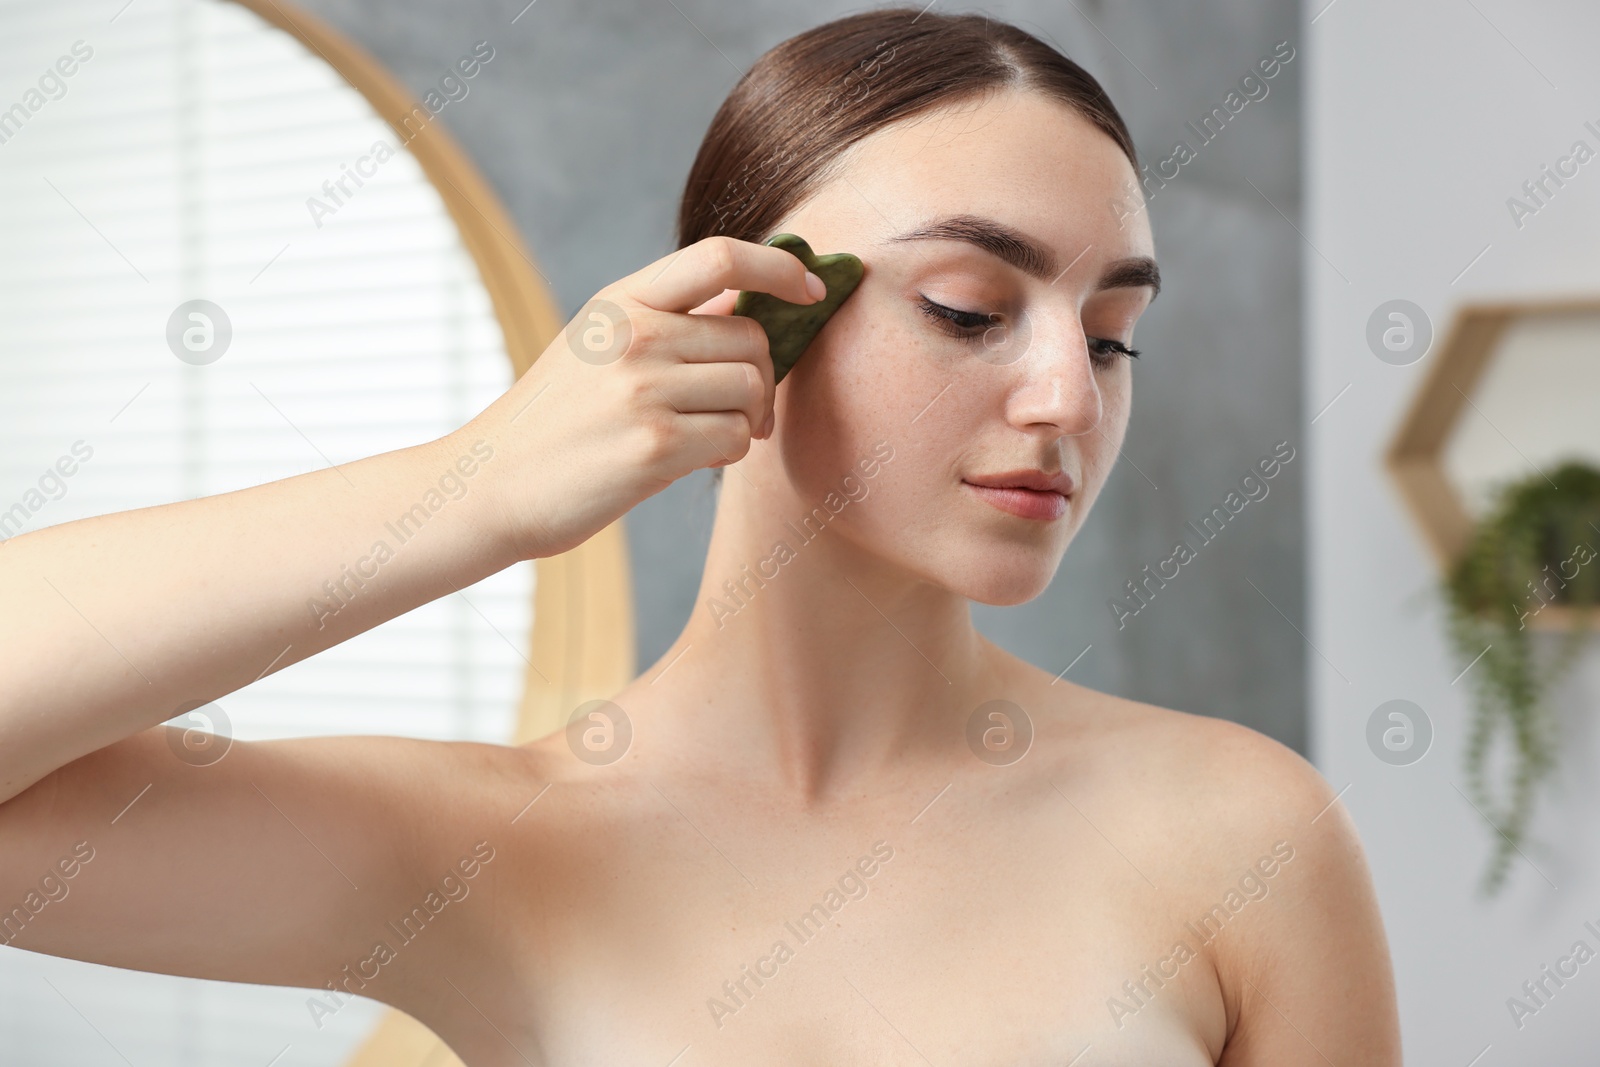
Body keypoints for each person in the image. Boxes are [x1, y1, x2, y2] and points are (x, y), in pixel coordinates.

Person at [0, 8, 1400, 1065]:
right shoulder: (494, 852)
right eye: (972, 309)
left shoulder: (1242, 836)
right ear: (737, 320)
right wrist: (479, 484)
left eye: (1112, 335)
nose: (1067, 397)